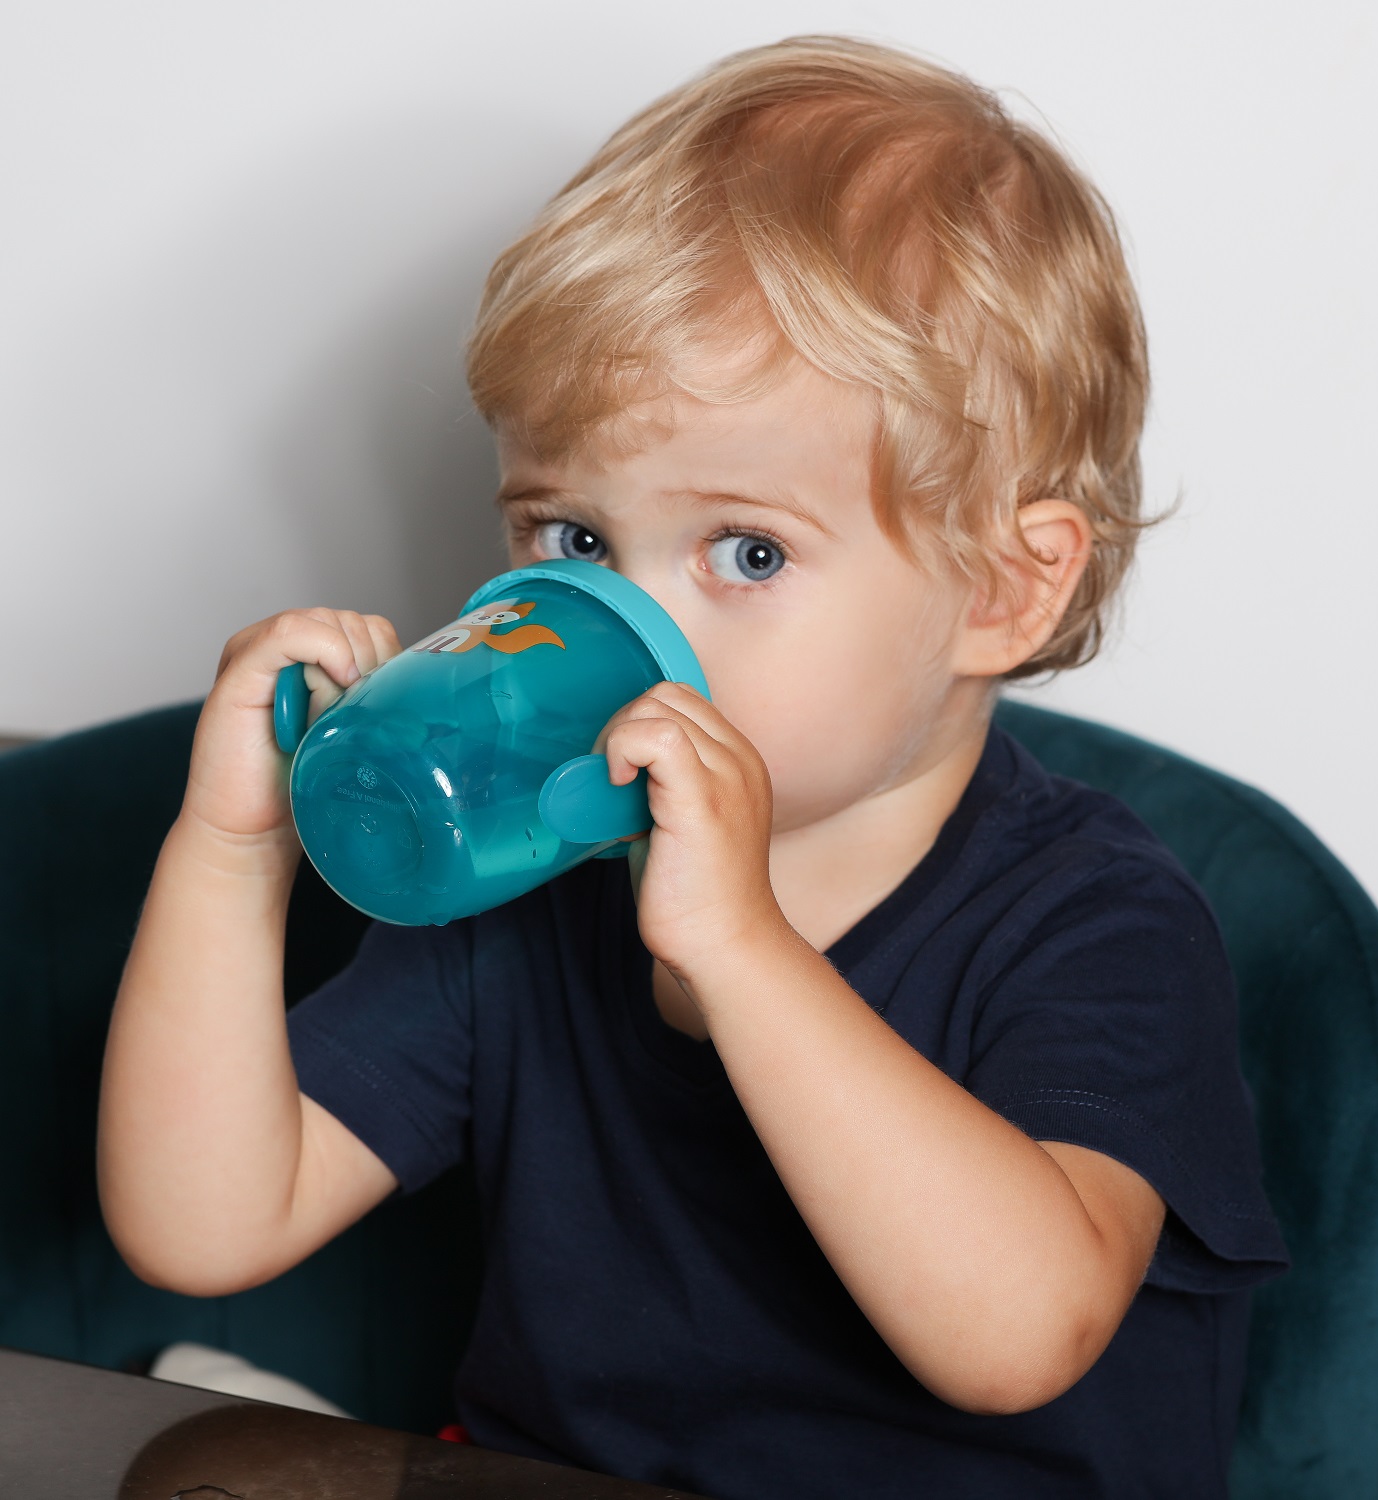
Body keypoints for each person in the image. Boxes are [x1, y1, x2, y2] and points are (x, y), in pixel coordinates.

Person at [98, 35, 1288, 1500]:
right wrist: (230, 852)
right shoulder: (531, 876)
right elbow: (203, 1225)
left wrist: (742, 953)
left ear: (1003, 592)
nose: (624, 620)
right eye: (574, 538)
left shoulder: (1096, 921)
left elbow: (1019, 1336)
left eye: (748, 552)